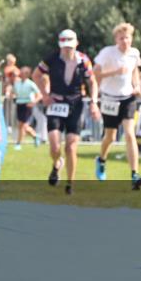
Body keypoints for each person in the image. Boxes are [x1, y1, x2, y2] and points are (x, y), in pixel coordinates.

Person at [33, 29, 100, 196]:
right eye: (64, 46)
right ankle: (57, 163)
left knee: (71, 146)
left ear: (76, 44)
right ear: (60, 45)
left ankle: (70, 183)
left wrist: (94, 103)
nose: (67, 50)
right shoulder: (52, 58)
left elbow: (92, 82)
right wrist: (45, 95)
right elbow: (36, 75)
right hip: (55, 103)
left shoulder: (84, 60)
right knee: (55, 145)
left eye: (70, 46)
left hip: (75, 104)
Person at [93, 23, 141, 189]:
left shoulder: (134, 54)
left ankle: (134, 174)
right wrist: (114, 72)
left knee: (130, 134)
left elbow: (135, 71)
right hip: (109, 98)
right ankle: (101, 159)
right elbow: (95, 73)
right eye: (121, 38)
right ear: (116, 39)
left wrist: (136, 85)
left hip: (128, 98)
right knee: (110, 137)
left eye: (127, 38)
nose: (125, 41)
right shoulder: (107, 53)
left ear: (131, 38)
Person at [14, 65, 41, 149]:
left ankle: (18, 143)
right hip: (19, 104)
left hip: (27, 105)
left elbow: (39, 94)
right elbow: (14, 92)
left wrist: (33, 102)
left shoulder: (30, 84)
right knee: (20, 125)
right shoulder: (17, 83)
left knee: (23, 125)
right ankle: (35, 135)